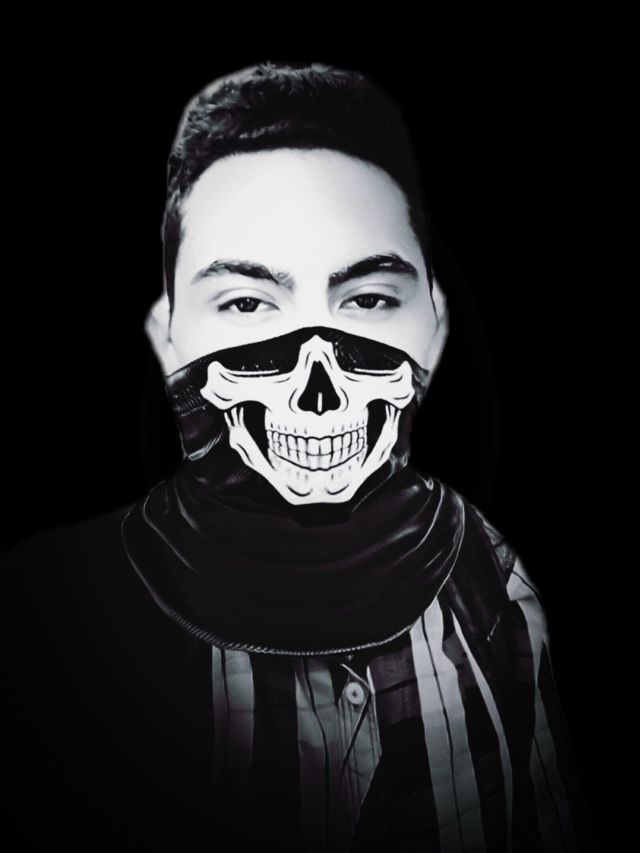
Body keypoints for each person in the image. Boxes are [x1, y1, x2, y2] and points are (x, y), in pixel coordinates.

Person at [0, 60, 594, 852]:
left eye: (369, 299)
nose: (318, 394)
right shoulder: (44, 624)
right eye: (247, 303)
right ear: (168, 339)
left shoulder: (490, 578)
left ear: (434, 331)